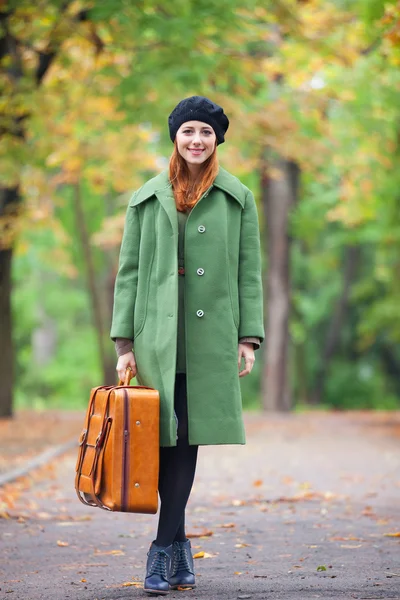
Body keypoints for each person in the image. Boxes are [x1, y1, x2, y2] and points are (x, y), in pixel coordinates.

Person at [110, 95, 264, 595]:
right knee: (163, 440)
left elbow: (248, 272)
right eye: (188, 131)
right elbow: (128, 274)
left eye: (206, 132)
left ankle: (161, 550)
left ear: (218, 139)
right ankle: (178, 552)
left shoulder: (237, 197)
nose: (197, 140)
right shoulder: (146, 198)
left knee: (187, 439)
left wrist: (248, 337)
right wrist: (124, 342)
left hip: (210, 336)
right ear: (175, 137)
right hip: (158, 335)